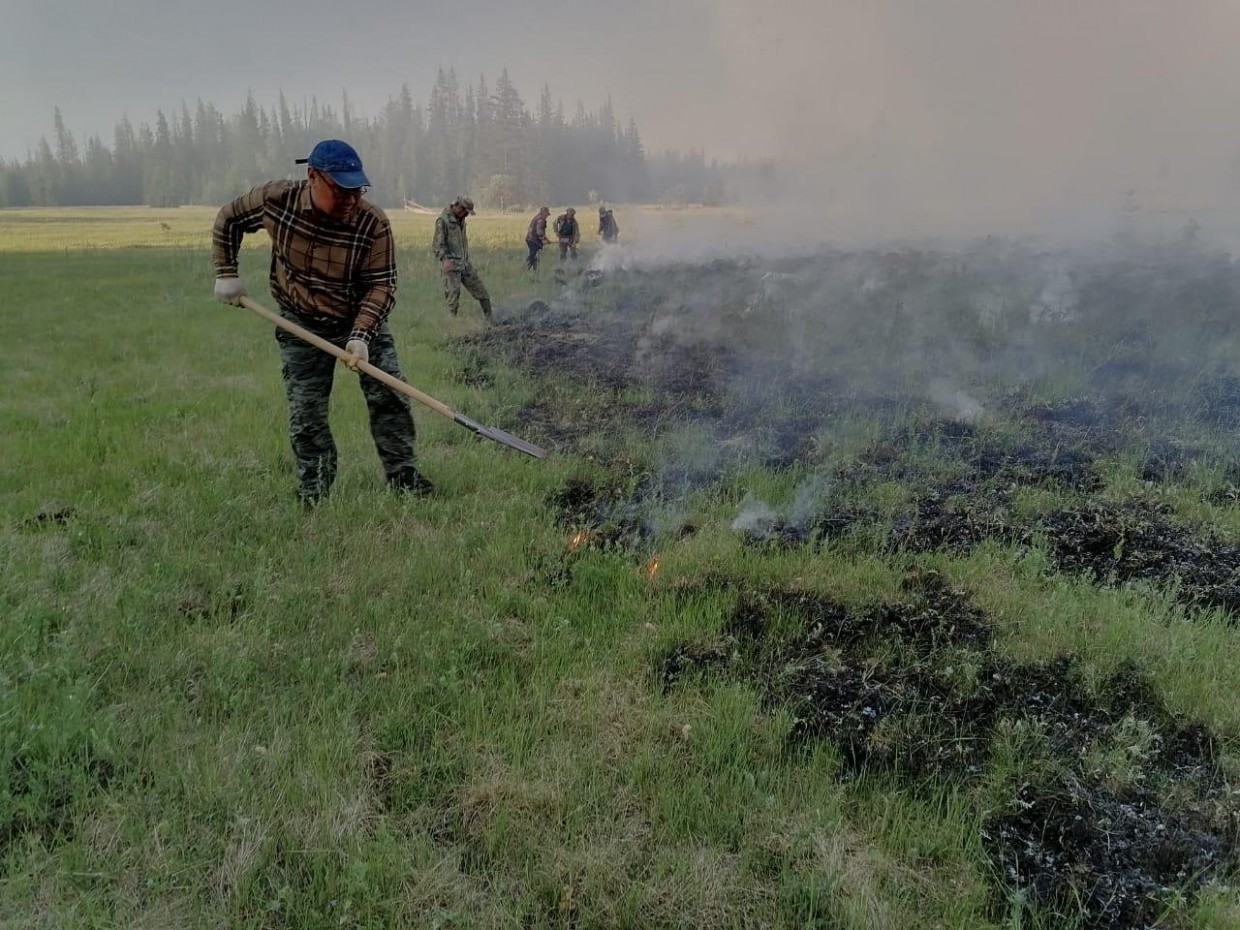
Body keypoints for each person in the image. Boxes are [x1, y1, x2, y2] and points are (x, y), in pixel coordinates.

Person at [211, 138, 433, 506]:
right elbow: (228, 218)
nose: (351, 200)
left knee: (389, 395)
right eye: (341, 191)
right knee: (307, 412)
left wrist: (361, 336)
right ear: (312, 176)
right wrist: (226, 272)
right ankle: (314, 491)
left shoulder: (372, 223)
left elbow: (381, 285)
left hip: (359, 319)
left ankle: (403, 477)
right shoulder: (276, 200)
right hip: (301, 322)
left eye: (357, 190)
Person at [432, 196, 492, 319]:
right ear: (459, 207)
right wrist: (445, 259)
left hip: (464, 264)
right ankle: (452, 326)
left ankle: (490, 319)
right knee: (453, 298)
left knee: (482, 292)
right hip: (451, 266)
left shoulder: (460, 219)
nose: (466, 215)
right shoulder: (443, 221)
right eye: (466, 212)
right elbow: (437, 245)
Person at [524, 206, 551, 271]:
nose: (547, 216)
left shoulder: (537, 218)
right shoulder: (541, 220)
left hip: (530, 239)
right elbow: (539, 232)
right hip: (533, 240)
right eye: (546, 214)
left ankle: (534, 270)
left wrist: (546, 240)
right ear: (544, 213)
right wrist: (544, 240)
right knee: (533, 255)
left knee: (534, 255)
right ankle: (525, 269)